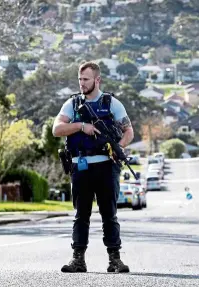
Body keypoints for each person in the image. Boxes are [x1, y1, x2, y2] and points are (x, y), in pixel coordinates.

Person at [52, 62, 134, 273]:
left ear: (97, 80)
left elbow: (128, 131)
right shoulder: (72, 104)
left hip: (106, 167)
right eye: (80, 79)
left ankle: (114, 259)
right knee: (82, 215)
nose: (82, 83)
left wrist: (118, 147)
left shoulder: (111, 103)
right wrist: (81, 127)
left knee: (109, 214)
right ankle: (78, 259)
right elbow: (57, 129)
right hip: (81, 167)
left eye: (86, 79)